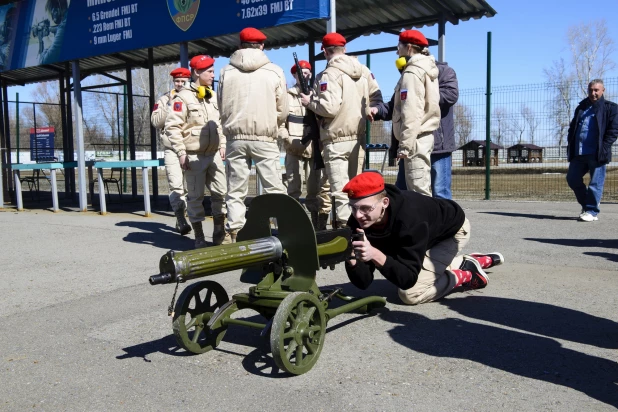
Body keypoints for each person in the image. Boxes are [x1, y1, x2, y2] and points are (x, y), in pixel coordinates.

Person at [343, 171, 504, 305]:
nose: (358, 215)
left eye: (365, 208)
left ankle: (466, 274)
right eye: (353, 208)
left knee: (410, 294)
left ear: (384, 202)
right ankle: (470, 261)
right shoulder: (358, 220)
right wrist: (352, 259)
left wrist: (375, 254)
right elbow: (363, 283)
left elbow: (407, 279)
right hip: (425, 236)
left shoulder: (410, 218)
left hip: (451, 232)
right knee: (413, 265)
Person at [218, 27, 288, 241]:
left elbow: (220, 105)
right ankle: (284, 228)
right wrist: (272, 123)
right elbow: (282, 109)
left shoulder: (226, 71)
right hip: (264, 137)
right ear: (262, 46)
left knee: (236, 188)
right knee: (273, 186)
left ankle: (235, 231)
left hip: (235, 138)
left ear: (240, 46)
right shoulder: (274, 71)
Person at [301, 32, 372, 228]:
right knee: (356, 189)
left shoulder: (329, 74)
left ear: (324, 51)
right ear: (345, 49)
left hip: (336, 139)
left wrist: (310, 102)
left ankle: (345, 235)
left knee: (340, 192)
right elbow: (374, 95)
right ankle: (360, 230)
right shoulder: (362, 71)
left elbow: (328, 108)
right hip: (357, 138)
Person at [165, 55, 229, 248]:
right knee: (195, 197)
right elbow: (172, 127)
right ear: (196, 73)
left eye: (212, 71)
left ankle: (219, 231)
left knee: (221, 193)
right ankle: (199, 237)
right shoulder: (182, 97)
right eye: (209, 71)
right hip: (193, 155)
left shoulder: (212, 95)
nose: (212, 75)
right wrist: (181, 152)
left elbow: (220, 123)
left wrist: (223, 143)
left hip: (214, 154)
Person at [279, 59, 332, 228]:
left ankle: (316, 226)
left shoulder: (316, 94)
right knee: (293, 189)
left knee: (314, 190)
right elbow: (279, 122)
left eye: (308, 71)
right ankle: (294, 226)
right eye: (300, 72)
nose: (305, 75)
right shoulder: (287, 96)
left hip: (314, 148)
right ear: (294, 75)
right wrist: (287, 139)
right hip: (294, 148)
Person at [392, 30, 440, 196]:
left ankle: (427, 222)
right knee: (421, 188)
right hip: (422, 136)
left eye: (399, 46)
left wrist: (405, 145)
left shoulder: (412, 72)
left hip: (415, 138)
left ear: (409, 47)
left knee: (418, 192)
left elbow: (411, 111)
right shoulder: (427, 68)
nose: (397, 50)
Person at [566, 79, 617, 222]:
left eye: (596, 90)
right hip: (579, 152)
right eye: (590, 90)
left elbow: (613, 131)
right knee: (572, 179)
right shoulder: (581, 107)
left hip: (597, 153)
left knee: (595, 182)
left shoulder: (610, 108)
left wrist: (604, 147)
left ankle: (592, 211)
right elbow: (573, 128)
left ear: (603, 90)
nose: (593, 93)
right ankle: (587, 206)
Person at [151, 67, 192, 236]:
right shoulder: (164, 99)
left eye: (183, 81)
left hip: (191, 148)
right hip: (171, 149)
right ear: (173, 82)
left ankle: (189, 217)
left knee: (191, 186)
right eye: (177, 81)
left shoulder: (194, 98)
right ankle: (180, 218)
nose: (180, 84)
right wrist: (168, 106)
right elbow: (155, 122)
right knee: (176, 185)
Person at [38, 0, 67, 65]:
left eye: (50, 19)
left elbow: (44, 62)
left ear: (55, 12)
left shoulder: (63, 27)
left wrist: (47, 44)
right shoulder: (67, 22)